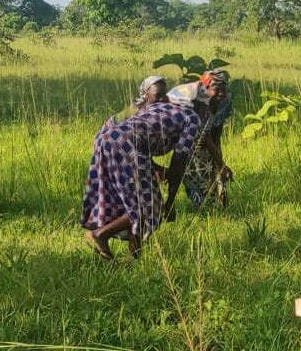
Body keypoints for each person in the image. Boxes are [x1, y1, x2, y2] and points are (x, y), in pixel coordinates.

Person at [80, 101, 201, 260]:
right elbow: (179, 162)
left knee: (132, 203)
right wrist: (170, 203)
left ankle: (133, 259)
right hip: (128, 144)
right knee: (150, 206)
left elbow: (143, 137)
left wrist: (156, 169)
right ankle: (100, 234)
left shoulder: (159, 107)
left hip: (105, 138)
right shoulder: (192, 118)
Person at [167, 69, 233, 209]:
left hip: (207, 144)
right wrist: (221, 165)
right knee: (193, 172)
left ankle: (219, 204)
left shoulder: (224, 102)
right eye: (217, 89)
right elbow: (204, 138)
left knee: (213, 172)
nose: (221, 93)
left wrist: (219, 162)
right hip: (190, 142)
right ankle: (173, 204)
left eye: (224, 88)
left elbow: (216, 135)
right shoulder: (196, 101)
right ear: (206, 88)